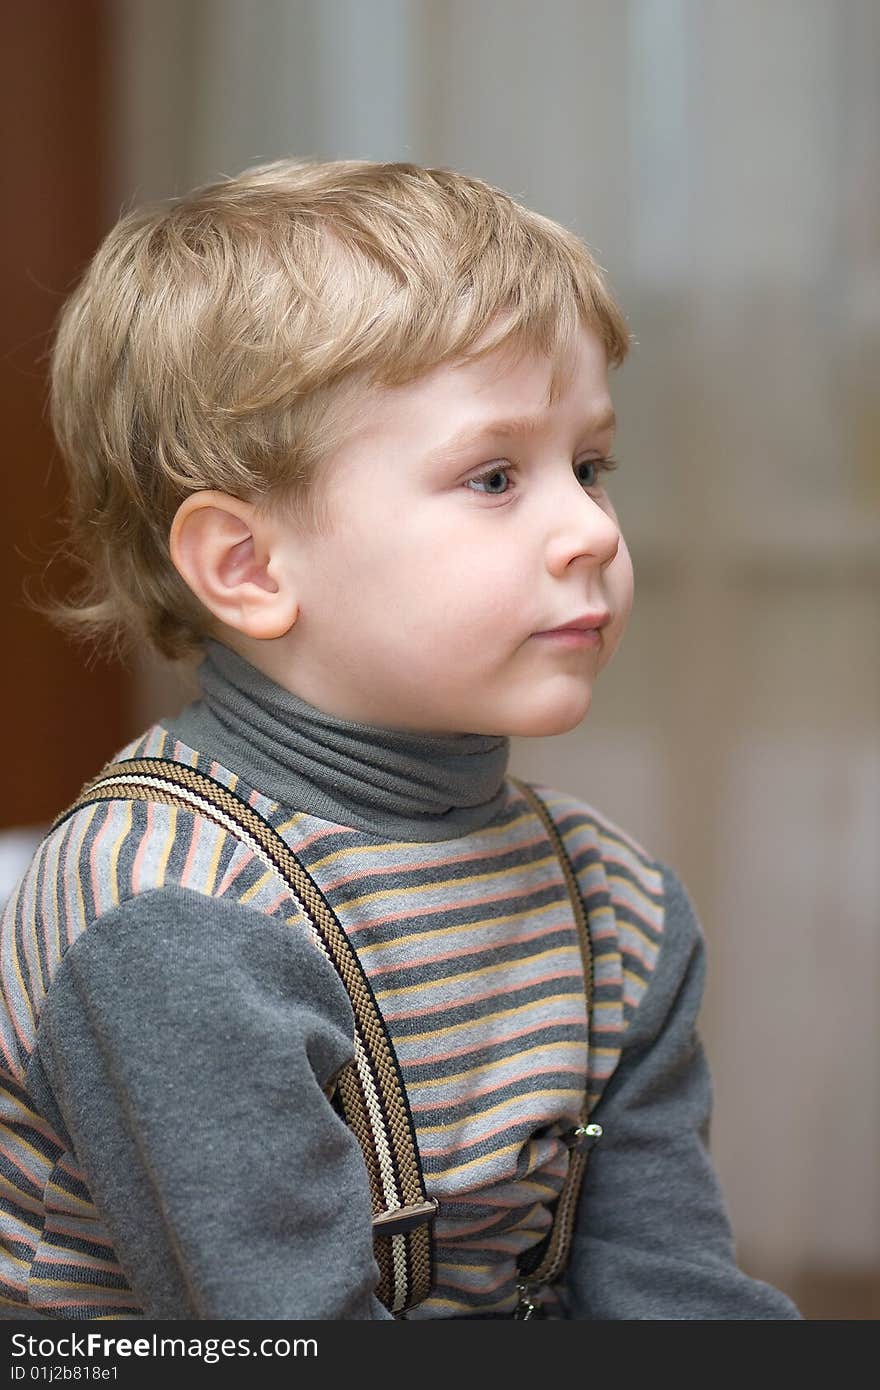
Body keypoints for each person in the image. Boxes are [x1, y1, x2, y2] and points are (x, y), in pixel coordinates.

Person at [0, 159, 800, 1320]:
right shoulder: (169, 911)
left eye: (589, 466)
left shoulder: (613, 906)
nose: (587, 528)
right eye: (492, 476)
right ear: (249, 566)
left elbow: (665, 1286)